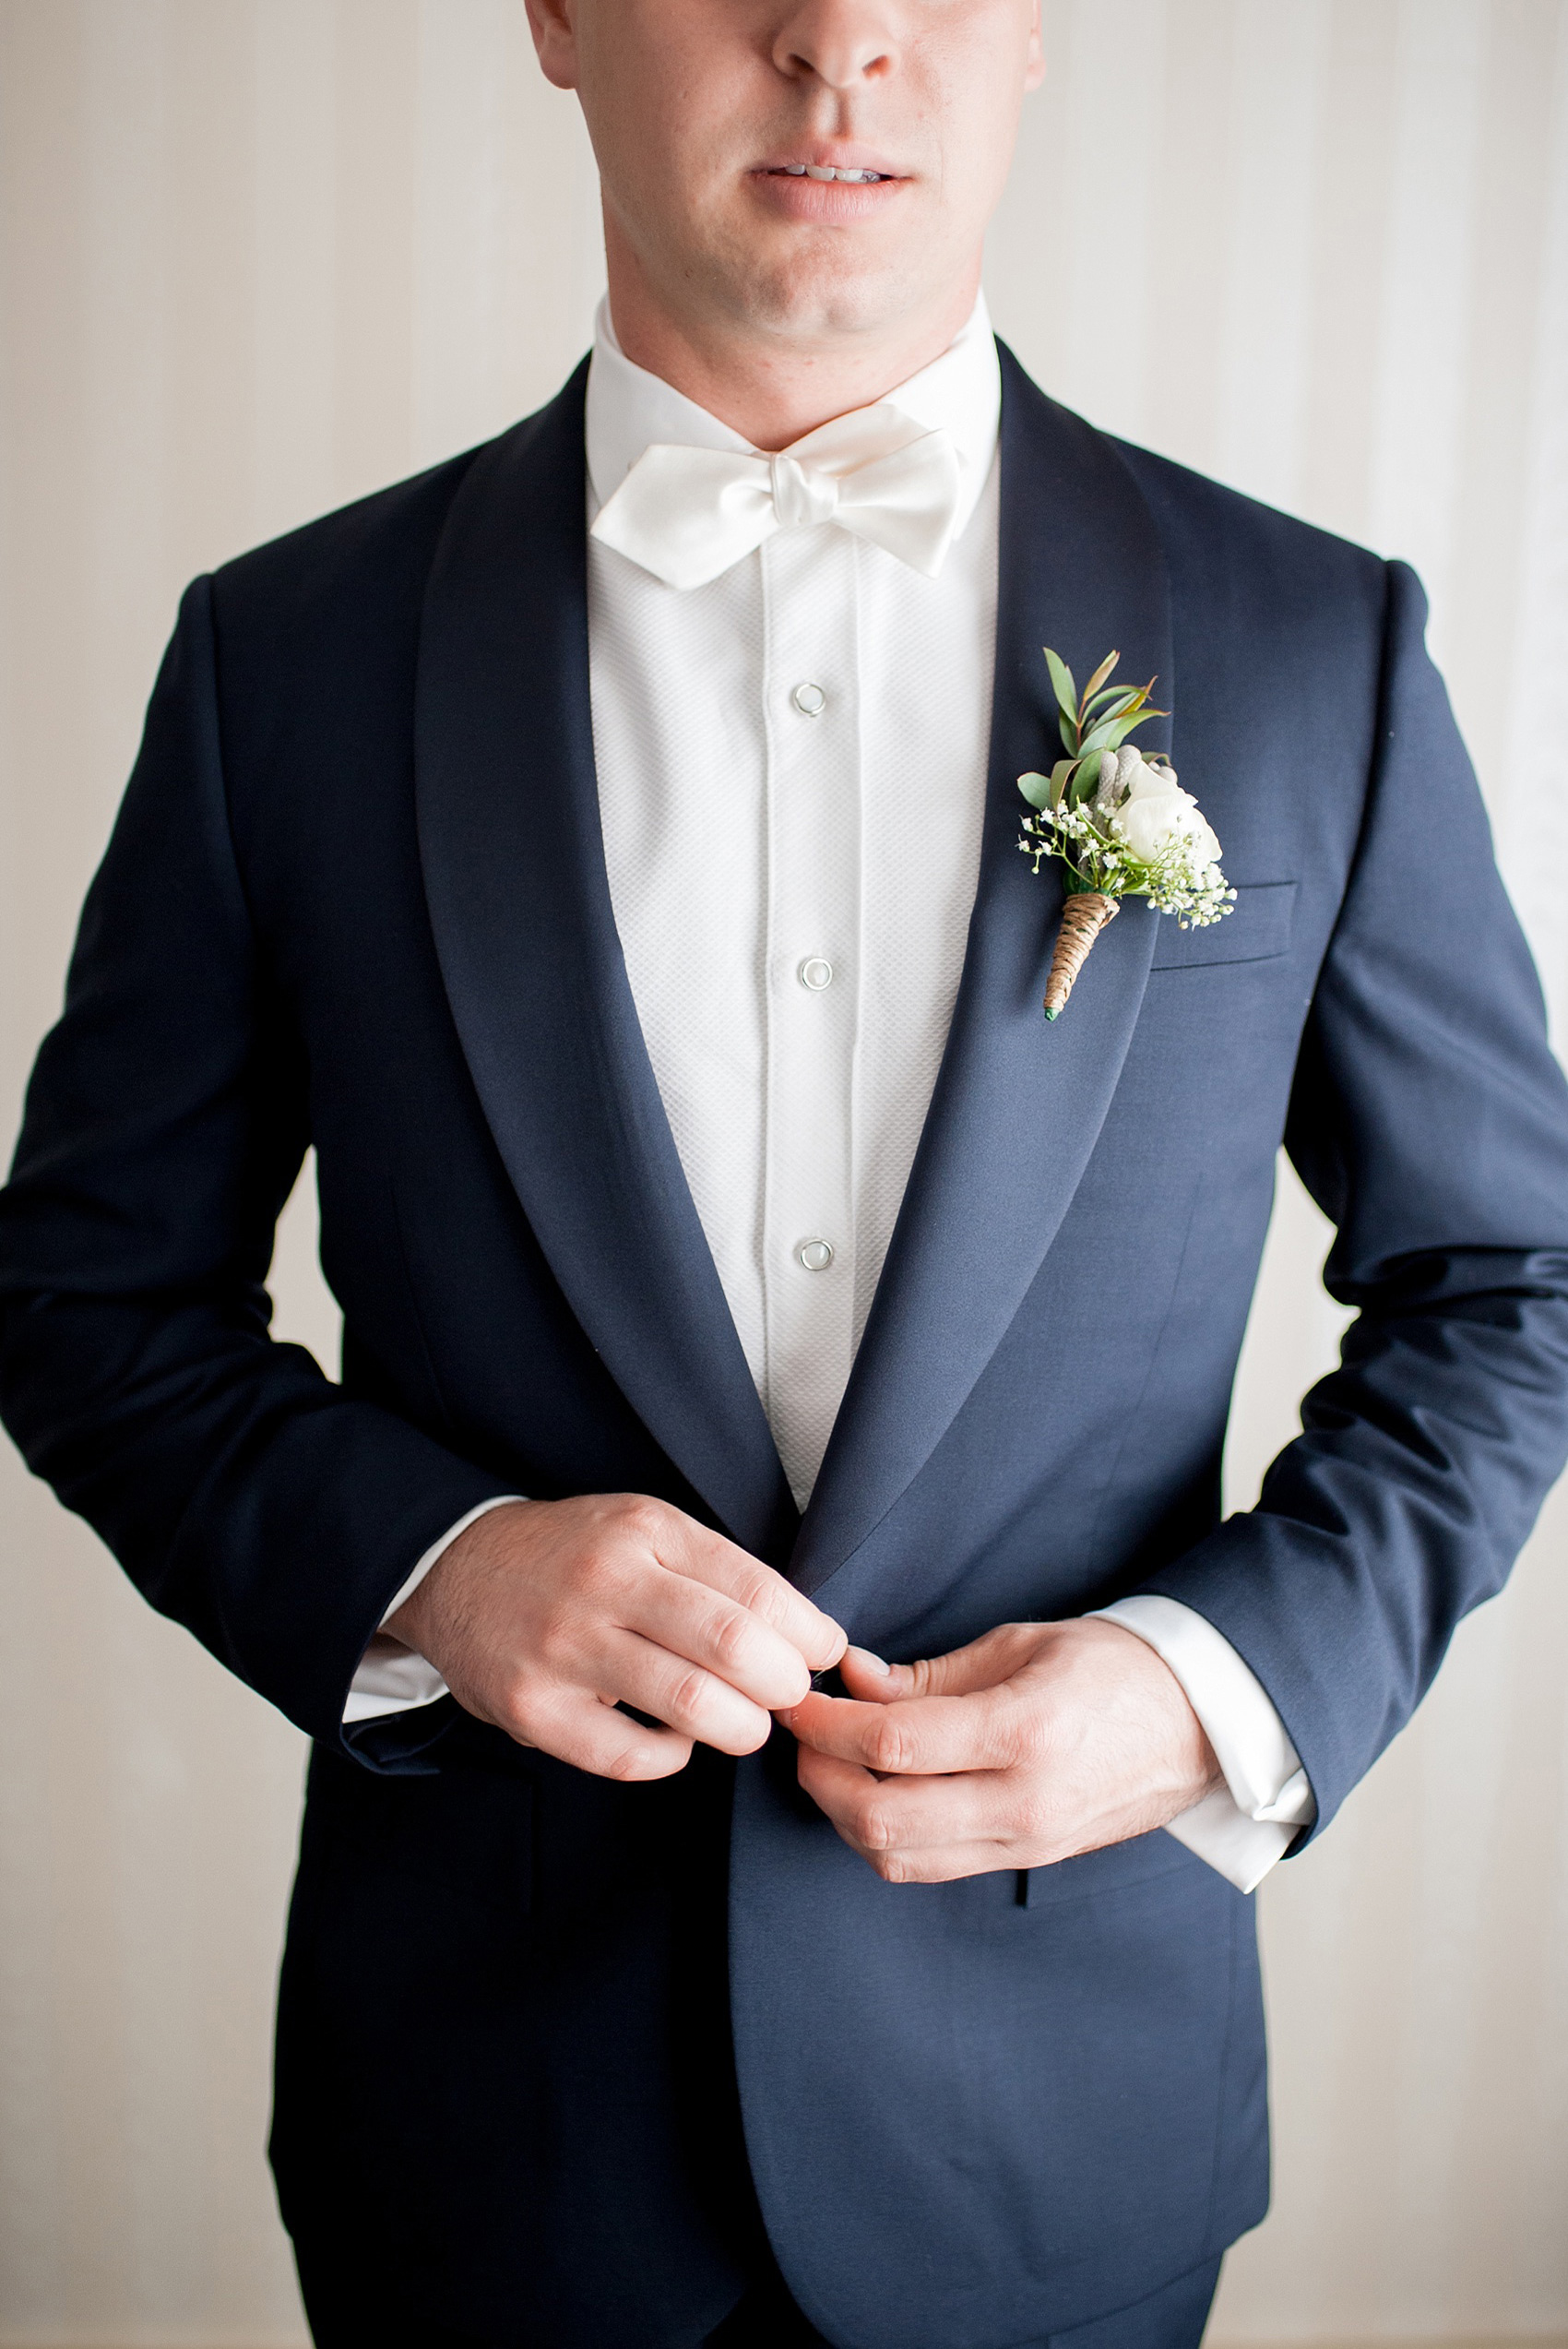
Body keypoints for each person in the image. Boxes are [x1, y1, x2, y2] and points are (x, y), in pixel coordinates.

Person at [3, 1, 1566, 2343]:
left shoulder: (1308, 644)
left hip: (1060, 2141)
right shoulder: (286, 661)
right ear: (552, 15)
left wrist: (1203, 1684)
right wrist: (432, 1567)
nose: (837, 40)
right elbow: (85, 1298)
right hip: (484, 2147)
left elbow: (1510, 1279)